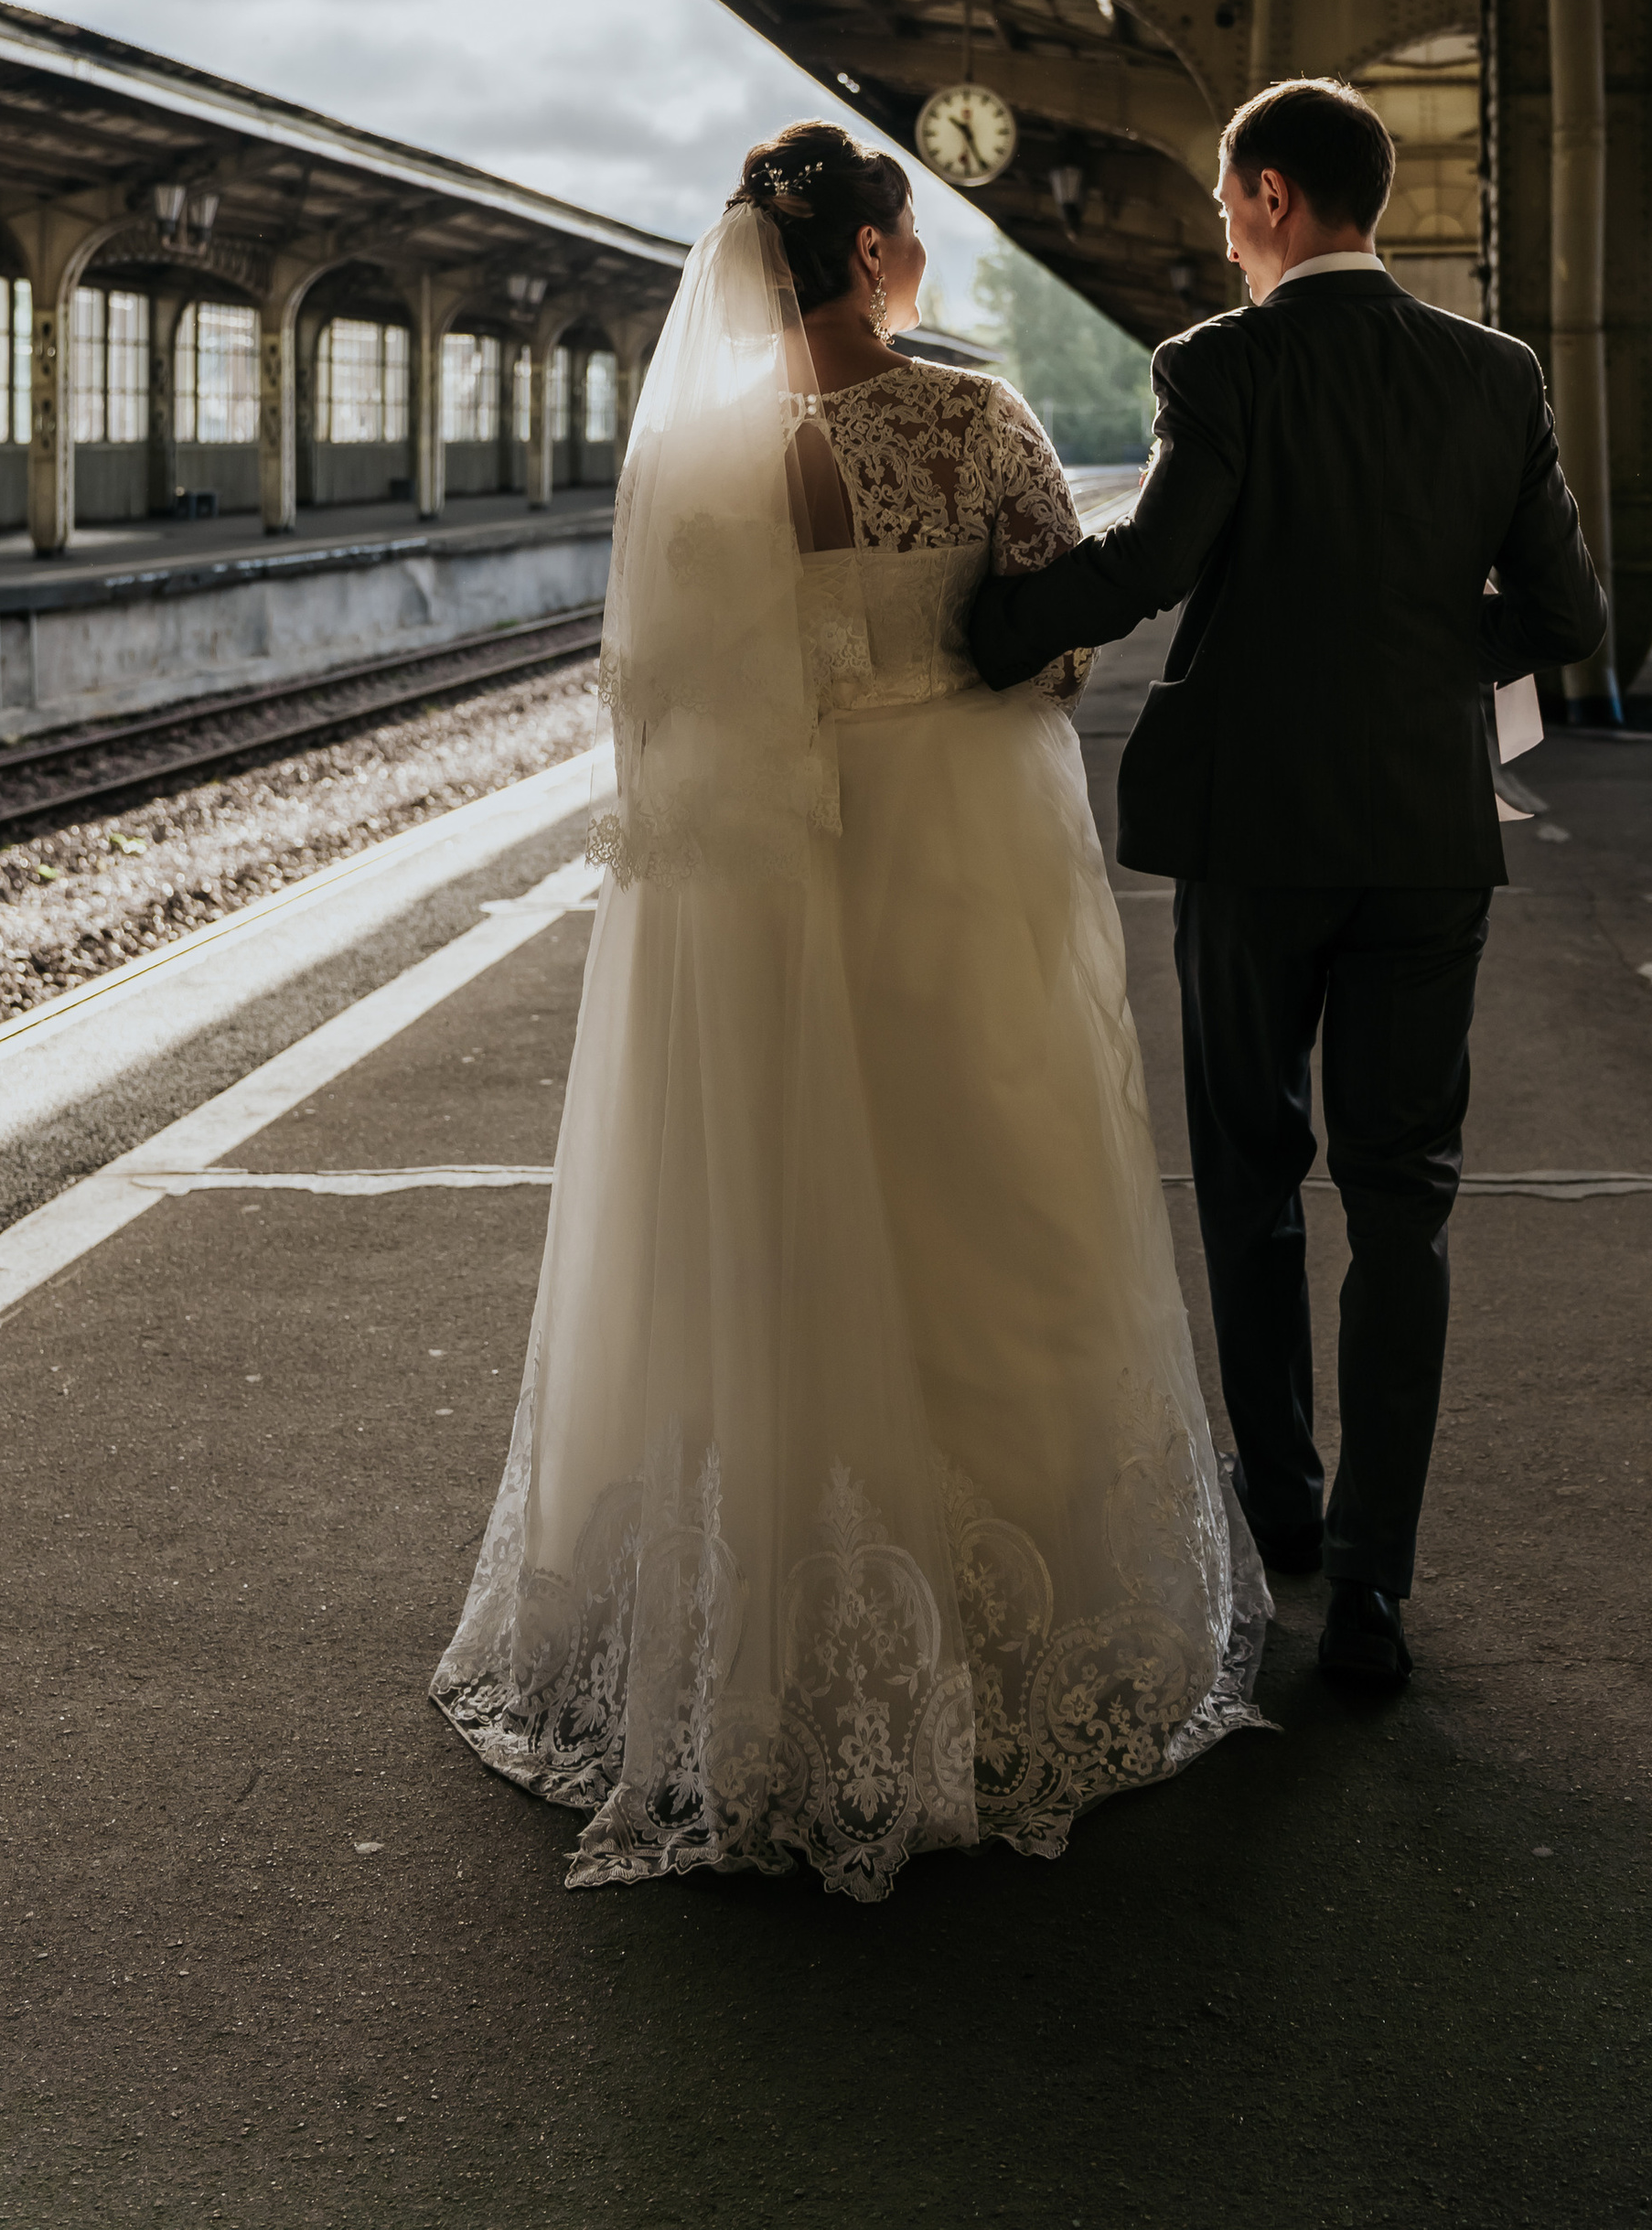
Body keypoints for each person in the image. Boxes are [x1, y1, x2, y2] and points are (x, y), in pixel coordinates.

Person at [433, 123, 1267, 1900]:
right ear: (884, 251)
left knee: (763, 1240)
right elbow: (1052, 641)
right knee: (993, 1201)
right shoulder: (969, 423)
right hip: (956, 851)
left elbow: (652, 700)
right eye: (908, 235)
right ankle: (1011, 1632)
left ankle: (748, 1653)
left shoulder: (700, 460)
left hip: (756, 890)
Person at [968, 76, 1609, 1690]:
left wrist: (988, 624)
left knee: (1252, 1182)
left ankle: (1285, 1507)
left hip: (1257, 833)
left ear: (1263, 198)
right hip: (1422, 835)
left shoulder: (1223, 364)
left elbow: (1157, 564)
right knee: (1408, 1201)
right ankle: (1378, 1591)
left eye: (1224, 210)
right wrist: (1408, 661)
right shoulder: (1495, 374)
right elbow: (1562, 613)